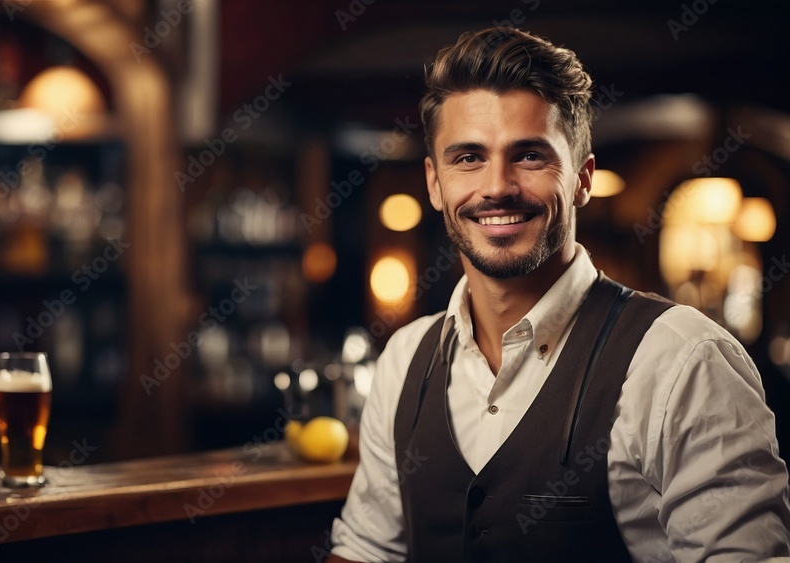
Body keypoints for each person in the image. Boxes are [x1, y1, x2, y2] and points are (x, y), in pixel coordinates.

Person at [328, 27, 790, 562]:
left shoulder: (682, 359)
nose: (496, 186)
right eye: (468, 158)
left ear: (582, 179)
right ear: (435, 183)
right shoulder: (406, 358)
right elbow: (365, 550)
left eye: (528, 156)